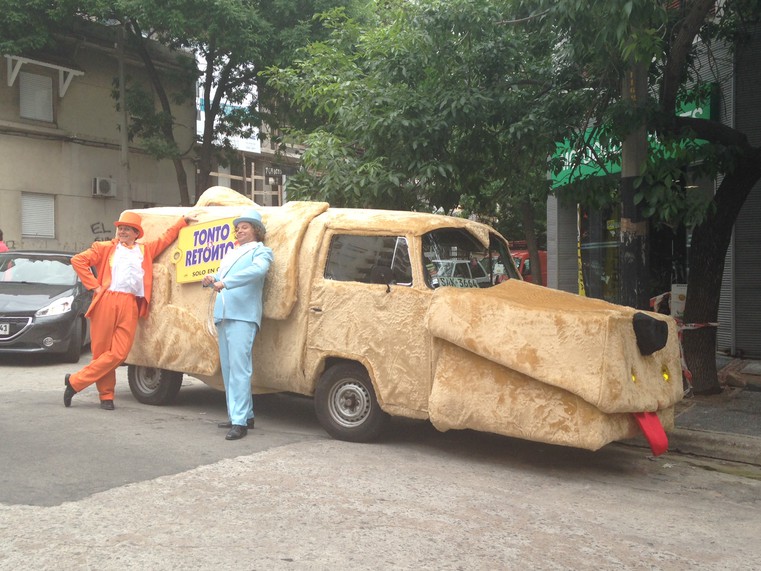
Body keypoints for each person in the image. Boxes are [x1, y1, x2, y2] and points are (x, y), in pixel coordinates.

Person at [64, 210, 196, 410]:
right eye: (120, 228)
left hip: (130, 303)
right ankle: (106, 396)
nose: (122, 232)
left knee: (119, 354)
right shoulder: (104, 247)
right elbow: (78, 260)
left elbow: (165, 238)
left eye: (127, 229)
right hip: (106, 301)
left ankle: (75, 382)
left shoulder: (145, 250)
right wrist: (95, 286)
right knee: (102, 352)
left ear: (136, 233)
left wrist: (182, 222)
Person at [201, 208, 273, 440]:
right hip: (224, 314)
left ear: (256, 230)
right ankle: (241, 415)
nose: (239, 230)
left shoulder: (262, 251)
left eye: (244, 227)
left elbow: (258, 271)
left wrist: (226, 282)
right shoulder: (231, 253)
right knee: (229, 369)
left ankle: (239, 422)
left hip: (243, 315)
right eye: (238, 227)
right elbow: (221, 278)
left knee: (240, 369)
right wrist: (212, 278)